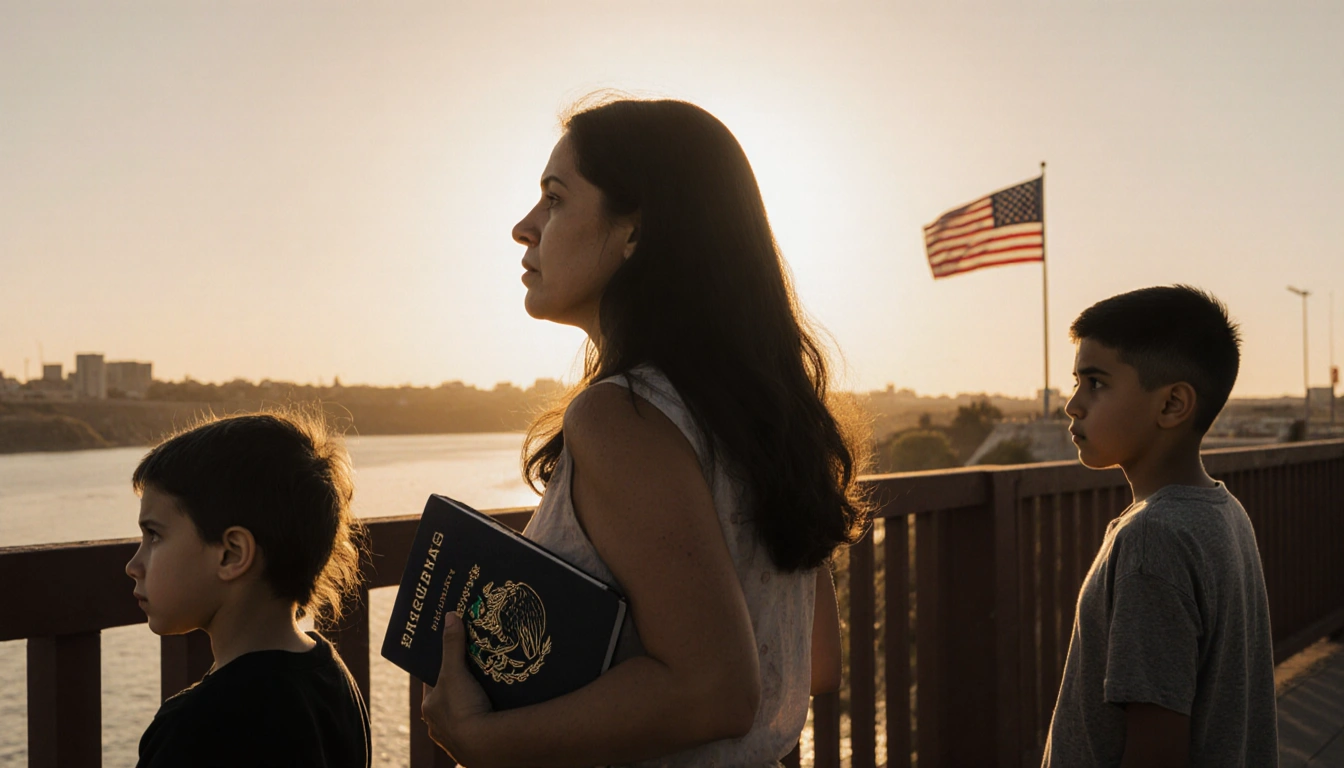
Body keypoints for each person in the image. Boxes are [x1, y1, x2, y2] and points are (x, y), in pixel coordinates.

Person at [420, 96, 864, 767]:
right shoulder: (756, 418)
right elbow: (815, 661)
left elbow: (716, 691)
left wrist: (484, 740)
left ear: (635, 230)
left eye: (554, 198)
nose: (524, 226)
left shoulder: (618, 418)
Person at [1042, 285, 1277, 767]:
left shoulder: (1153, 540)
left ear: (1172, 405)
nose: (1073, 405)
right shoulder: (1223, 511)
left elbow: (1156, 750)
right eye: (1076, 382)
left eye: (1096, 383)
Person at [126, 411, 371, 768]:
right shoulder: (334, 682)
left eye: (154, 536)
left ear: (232, 554)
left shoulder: (194, 729)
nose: (134, 565)